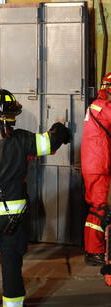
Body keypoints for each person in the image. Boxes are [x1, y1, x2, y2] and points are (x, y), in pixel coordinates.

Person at [0, 89, 70, 307]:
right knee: (12, 262)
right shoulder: (24, 140)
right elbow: (51, 142)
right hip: (14, 218)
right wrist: (59, 127)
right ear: (13, 116)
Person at [81, 72, 111, 267]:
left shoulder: (98, 105)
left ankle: (95, 249)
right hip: (97, 166)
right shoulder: (102, 107)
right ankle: (94, 251)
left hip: (96, 164)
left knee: (98, 207)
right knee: (99, 208)